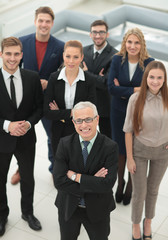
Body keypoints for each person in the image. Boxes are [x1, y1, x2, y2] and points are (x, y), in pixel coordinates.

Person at [11, 6, 64, 183]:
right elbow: (15, 69)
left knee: (53, 137)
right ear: (35, 22)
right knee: (23, 137)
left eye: (47, 21)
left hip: (49, 100)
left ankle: (54, 169)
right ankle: (21, 169)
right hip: (26, 99)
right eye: (40, 20)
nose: (44, 24)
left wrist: (50, 83)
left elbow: (62, 74)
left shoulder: (59, 46)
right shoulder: (22, 42)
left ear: (52, 24)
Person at [53, 101, 118, 240]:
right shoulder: (64, 144)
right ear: (74, 122)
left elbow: (107, 184)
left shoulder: (110, 147)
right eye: (79, 120)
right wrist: (93, 181)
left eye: (88, 119)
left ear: (97, 119)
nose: (84, 125)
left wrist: (76, 176)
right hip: (69, 207)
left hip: (98, 210)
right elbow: (59, 181)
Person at [0, 37, 43, 236]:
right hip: (2, 139)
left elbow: (39, 108)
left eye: (16, 53)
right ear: (1, 54)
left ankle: (28, 212)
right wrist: (8, 125)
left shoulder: (32, 78)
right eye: (8, 53)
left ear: (21, 55)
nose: (12, 58)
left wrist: (27, 124)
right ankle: (2, 216)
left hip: (26, 138)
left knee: (27, 178)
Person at [108, 28, 154, 205]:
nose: (133, 46)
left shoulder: (150, 63)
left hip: (139, 113)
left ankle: (130, 187)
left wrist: (123, 90)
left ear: (142, 44)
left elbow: (150, 90)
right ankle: (120, 183)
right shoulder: (117, 60)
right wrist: (136, 89)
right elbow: (111, 88)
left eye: (136, 42)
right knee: (120, 150)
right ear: (124, 43)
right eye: (129, 42)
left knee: (133, 150)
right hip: (118, 112)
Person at [123, 61, 168, 240]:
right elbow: (127, 130)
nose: (155, 81)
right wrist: (130, 158)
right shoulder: (136, 98)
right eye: (152, 77)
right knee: (139, 192)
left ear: (164, 79)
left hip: (162, 152)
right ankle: (135, 224)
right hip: (139, 151)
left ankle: (147, 222)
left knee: (153, 190)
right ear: (146, 78)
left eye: (159, 78)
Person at [44, 40, 96, 159]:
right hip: (58, 132)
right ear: (63, 56)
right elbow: (47, 112)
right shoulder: (54, 78)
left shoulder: (89, 80)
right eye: (68, 56)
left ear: (82, 57)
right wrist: (74, 113)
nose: (71, 61)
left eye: (76, 57)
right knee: (60, 165)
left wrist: (61, 114)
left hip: (82, 132)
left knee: (78, 166)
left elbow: (91, 111)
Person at [83, 20, 117, 138]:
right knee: (86, 138)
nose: (98, 36)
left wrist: (86, 73)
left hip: (105, 107)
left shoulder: (115, 56)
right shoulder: (83, 51)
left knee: (107, 139)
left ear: (107, 34)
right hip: (86, 105)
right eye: (95, 32)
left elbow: (106, 83)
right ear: (90, 34)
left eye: (101, 32)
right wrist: (98, 77)